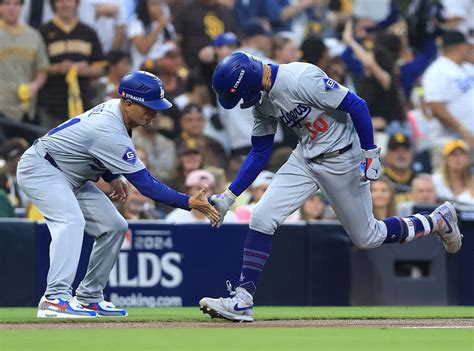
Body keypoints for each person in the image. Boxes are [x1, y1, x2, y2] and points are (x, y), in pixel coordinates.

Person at [199, 51, 463, 322]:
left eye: (240, 93)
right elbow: (259, 152)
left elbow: (356, 105)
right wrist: (229, 195)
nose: (243, 100)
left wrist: (370, 153)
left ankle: (435, 221)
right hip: (305, 157)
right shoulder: (262, 101)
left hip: (342, 157)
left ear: (250, 81)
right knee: (262, 217)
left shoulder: (301, 78)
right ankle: (243, 299)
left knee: (367, 237)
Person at [17, 71, 219, 318]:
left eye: (156, 107)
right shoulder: (109, 128)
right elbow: (145, 185)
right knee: (70, 221)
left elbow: (86, 147)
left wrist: (111, 176)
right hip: (42, 168)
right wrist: (187, 201)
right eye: (148, 107)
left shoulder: (117, 111)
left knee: (114, 226)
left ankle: (89, 297)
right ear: (128, 103)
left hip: (71, 174)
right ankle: (55, 298)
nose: (154, 113)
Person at [37, 0, 104, 127]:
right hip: (50, 104)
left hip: (83, 104)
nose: (65, 4)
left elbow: (101, 68)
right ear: (53, 4)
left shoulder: (89, 32)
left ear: (76, 3)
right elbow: (36, 68)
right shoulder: (43, 32)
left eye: (69, 0)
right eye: (60, 1)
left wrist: (86, 70)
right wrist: (57, 68)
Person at [0, 0, 49, 142]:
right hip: (2, 107)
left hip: (27, 110)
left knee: (26, 158)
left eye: (16, 4)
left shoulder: (33, 35)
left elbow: (42, 69)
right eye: (7, 3)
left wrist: (35, 85)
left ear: (22, 7)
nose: (11, 8)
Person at [433, 140, 472, 204]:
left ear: (466, 158)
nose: (457, 158)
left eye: (461, 153)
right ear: (446, 158)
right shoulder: (436, 181)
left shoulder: (472, 182)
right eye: (453, 154)